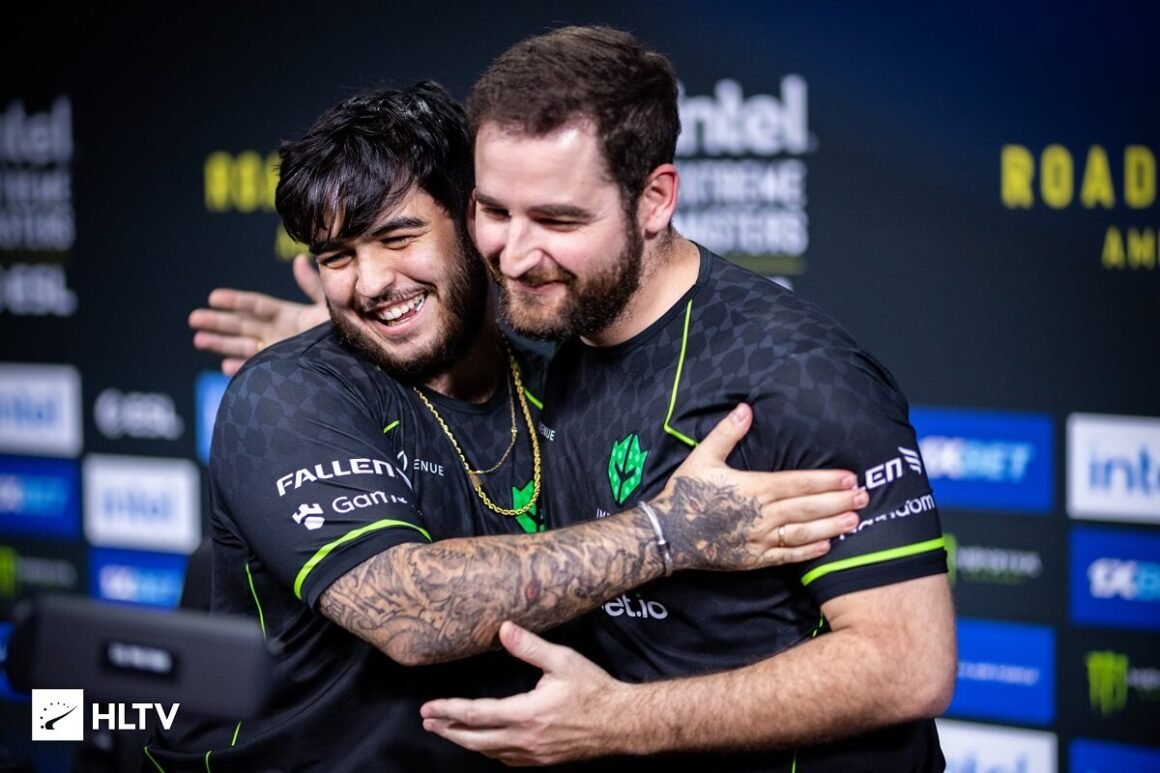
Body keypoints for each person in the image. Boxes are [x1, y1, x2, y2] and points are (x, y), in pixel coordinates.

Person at [157, 81, 865, 771]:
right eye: (337, 258)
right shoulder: (287, 393)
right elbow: (411, 614)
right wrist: (669, 532)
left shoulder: (560, 375)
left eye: (397, 239)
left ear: (477, 221)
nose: (367, 283)